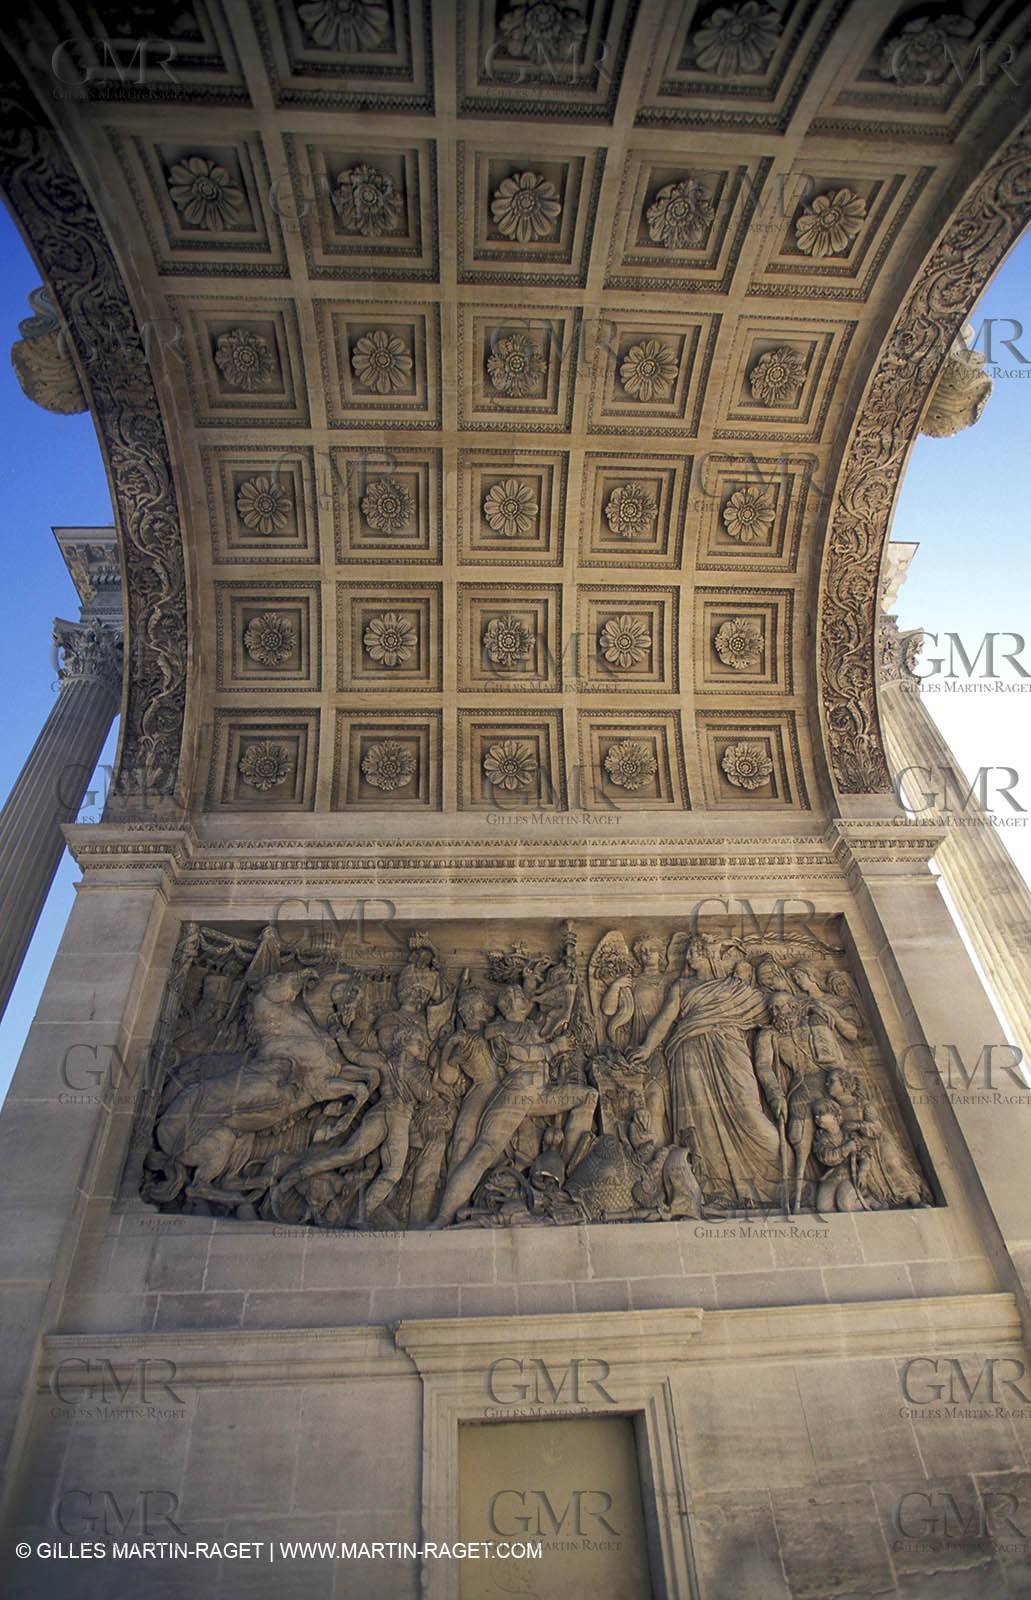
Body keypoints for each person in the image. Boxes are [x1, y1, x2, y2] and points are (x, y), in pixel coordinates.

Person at [430, 985, 597, 1229]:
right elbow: (515, 1053)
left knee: (588, 1096)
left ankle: (570, 1173)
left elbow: (558, 1011)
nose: (521, 998)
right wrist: (555, 1047)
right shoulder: (497, 1030)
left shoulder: (530, 1027)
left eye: (519, 994)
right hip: (517, 1091)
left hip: (538, 1092)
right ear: (507, 1004)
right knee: (484, 1151)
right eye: (515, 995)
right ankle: (444, 1217)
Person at [628, 938, 780, 1206]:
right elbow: (664, 1020)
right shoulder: (681, 986)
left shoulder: (735, 987)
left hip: (730, 1049)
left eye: (692, 954)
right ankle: (714, 1189)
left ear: (708, 955)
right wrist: (647, 1047)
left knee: (749, 1112)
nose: (688, 960)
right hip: (690, 1051)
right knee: (701, 1122)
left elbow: (771, 1010)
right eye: (687, 955)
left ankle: (779, 1183)